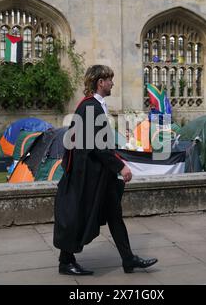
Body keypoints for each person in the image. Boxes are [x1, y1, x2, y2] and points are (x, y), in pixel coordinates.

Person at [53, 65, 158, 275]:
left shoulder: (95, 105)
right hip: (89, 174)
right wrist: (121, 166)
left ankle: (128, 259)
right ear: (100, 82)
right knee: (79, 214)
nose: (112, 83)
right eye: (109, 80)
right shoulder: (91, 106)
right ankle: (65, 261)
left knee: (114, 214)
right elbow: (97, 145)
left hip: (100, 173)